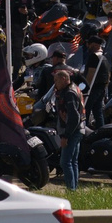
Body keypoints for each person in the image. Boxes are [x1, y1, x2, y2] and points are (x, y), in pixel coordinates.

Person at [44, 62, 85, 191]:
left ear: (64, 79)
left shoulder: (69, 93)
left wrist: (66, 136)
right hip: (79, 129)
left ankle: (71, 190)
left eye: (56, 80)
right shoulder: (73, 89)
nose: (54, 83)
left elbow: (74, 117)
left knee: (65, 162)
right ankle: (74, 187)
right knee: (73, 161)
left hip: (72, 130)